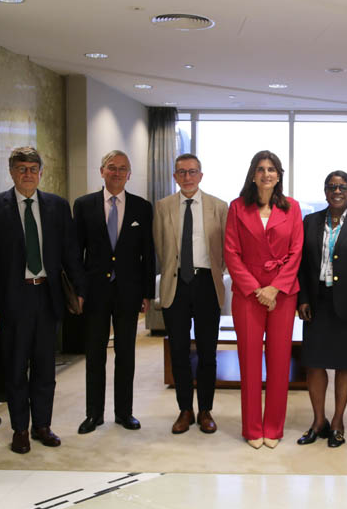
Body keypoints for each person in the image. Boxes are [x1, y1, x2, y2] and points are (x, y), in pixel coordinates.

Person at [0, 146, 85, 454]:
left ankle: (42, 426)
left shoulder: (57, 206)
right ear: (11, 172)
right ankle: (20, 429)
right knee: (15, 368)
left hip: (47, 296)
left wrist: (79, 289)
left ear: (41, 172)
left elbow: (70, 252)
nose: (27, 174)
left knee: (45, 368)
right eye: (21, 169)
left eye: (33, 169)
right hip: (12, 300)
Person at [224, 150, 303, 449]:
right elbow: (231, 252)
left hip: (282, 294)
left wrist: (275, 288)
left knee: (280, 361)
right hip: (248, 294)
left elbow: (296, 251)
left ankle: (273, 427)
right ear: (253, 175)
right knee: (249, 361)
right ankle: (252, 428)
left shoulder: (292, 208)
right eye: (261, 169)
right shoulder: (237, 207)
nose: (266, 174)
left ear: (279, 175)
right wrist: (256, 288)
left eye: (271, 169)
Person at [72, 150, 155, 434]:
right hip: (94, 293)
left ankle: (124, 413)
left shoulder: (142, 207)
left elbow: (148, 254)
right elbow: (76, 252)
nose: (117, 173)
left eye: (122, 168)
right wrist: (79, 289)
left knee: (125, 354)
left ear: (129, 174)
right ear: (102, 171)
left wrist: (147, 293)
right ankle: (94, 414)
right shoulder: (84, 205)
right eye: (111, 167)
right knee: (95, 354)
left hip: (129, 292)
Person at [296, 171, 347, 448]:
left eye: (343, 187)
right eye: (332, 187)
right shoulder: (310, 221)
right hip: (317, 302)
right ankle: (318, 421)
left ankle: (337, 422)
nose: (337, 191)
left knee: (345, 363)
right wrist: (302, 299)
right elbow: (302, 265)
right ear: (325, 192)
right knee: (314, 363)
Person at [154, 154, 228, 435]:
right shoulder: (163, 207)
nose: (187, 177)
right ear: (175, 176)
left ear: (201, 175)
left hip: (207, 283)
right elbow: (160, 246)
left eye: (192, 171)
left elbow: (226, 249)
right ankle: (185, 409)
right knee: (179, 352)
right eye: (182, 172)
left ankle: (205, 409)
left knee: (208, 352)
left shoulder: (219, 207)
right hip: (176, 285)